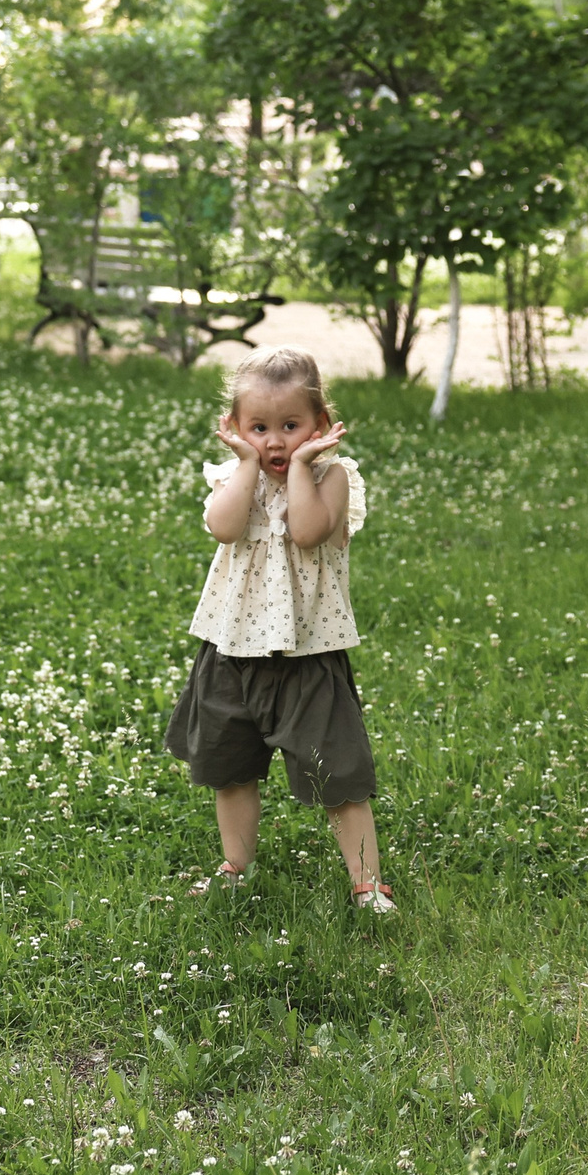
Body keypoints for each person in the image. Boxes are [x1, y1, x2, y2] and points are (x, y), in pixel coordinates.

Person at [165, 346, 391, 913]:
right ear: (235, 428)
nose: (274, 441)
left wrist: (298, 467)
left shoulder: (332, 478)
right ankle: (235, 865)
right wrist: (244, 465)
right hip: (231, 646)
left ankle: (367, 884)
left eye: (290, 427)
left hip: (308, 651)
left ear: (320, 424)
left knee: (338, 769)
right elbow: (223, 527)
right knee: (229, 767)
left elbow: (310, 530)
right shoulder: (230, 477)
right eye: (258, 428)